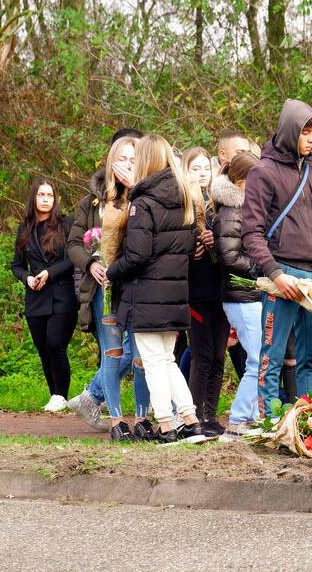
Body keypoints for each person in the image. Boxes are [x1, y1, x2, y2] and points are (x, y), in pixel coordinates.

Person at [107, 135, 205, 443]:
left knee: (152, 362)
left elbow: (137, 255)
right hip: (174, 292)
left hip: (147, 295)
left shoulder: (143, 203)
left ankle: (166, 425)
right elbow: (188, 250)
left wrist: (113, 271)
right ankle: (190, 419)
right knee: (167, 359)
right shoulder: (184, 198)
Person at [242, 100, 312, 413]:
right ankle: (269, 420)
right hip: (282, 273)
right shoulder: (262, 172)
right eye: (305, 132)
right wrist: (275, 274)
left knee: (311, 357)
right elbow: (251, 233)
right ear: (289, 131)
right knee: (273, 355)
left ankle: (311, 420)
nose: (310, 139)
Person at [66, 134, 153, 440]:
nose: (127, 165)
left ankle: (143, 419)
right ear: (110, 162)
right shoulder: (92, 203)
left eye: (133, 159)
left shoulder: (147, 197)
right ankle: (117, 422)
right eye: (121, 159)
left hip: (139, 288)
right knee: (113, 354)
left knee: (142, 355)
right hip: (105, 289)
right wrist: (91, 263)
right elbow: (73, 244)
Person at [11, 178, 79, 412]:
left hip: (63, 295)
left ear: (55, 199)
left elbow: (73, 259)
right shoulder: (25, 228)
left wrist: (49, 273)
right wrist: (26, 278)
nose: (46, 199)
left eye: (50, 195)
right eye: (41, 195)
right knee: (43, 349)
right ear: (34, 198)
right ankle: (54, 395)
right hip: (35, 297)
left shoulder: (66, 224)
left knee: (55, 345)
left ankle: (61, 395)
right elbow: (17, 265)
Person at [212, 152, 265, 437]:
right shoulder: (231, 212)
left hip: (250, 294)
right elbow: (230, 257)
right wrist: (265, 269)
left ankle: (253, 416)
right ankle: (238, 418)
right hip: (240, 294)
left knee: (259, 357)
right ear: (244, 182)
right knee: (257, 359)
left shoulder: (248, 209)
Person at [182, 146, 229, 436]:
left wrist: (218, 241)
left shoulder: (217, 206)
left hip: (220, 290)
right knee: (203, 354)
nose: (201, 174)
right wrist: (193, 248)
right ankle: (194, 416)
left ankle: (210, 415)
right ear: (185, 171)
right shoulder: (182, 206)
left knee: (219, 356)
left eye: (205, 168)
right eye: (195, 168)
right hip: (194, 293)